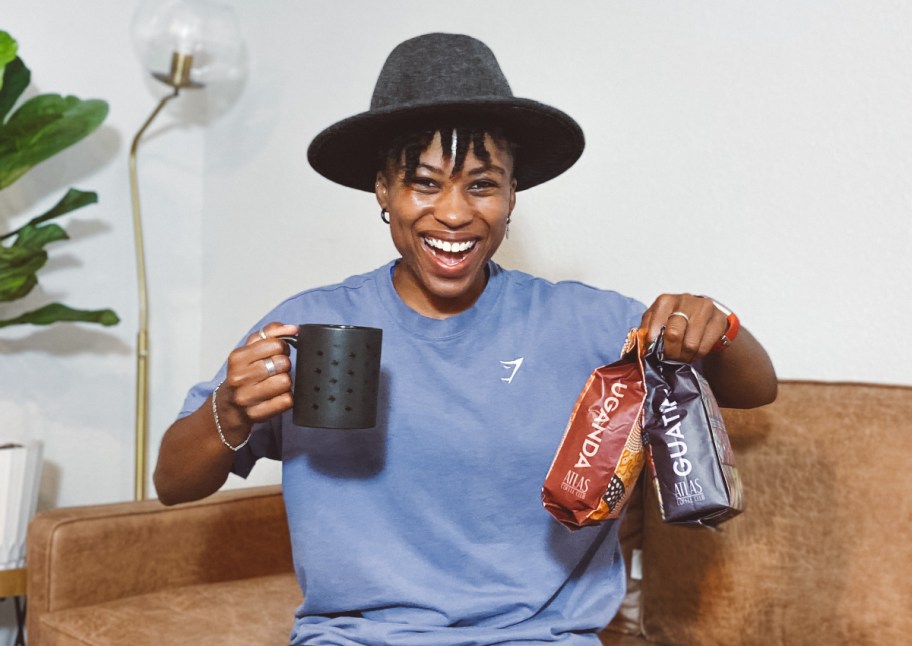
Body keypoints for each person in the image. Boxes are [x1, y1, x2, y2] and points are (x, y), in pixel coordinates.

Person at [155, 33, 777, 645]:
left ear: (512, 197)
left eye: (481, 185)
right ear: (383, 191)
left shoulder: (577, 322)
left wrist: (717, 326)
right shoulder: (311, 327)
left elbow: (756, 388)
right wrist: (229, 410)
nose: (454, 214)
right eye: (424, 183)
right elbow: (173, 482)